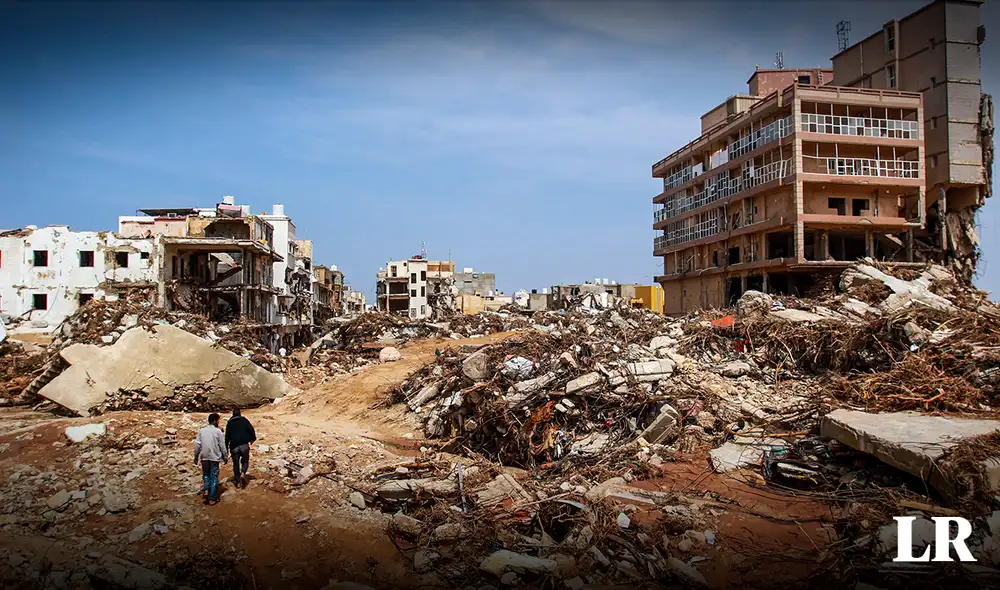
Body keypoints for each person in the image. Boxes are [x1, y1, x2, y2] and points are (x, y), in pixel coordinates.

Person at [194, 413, 228, 505]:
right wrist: (225, 457)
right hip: (214, 457)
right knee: (214, 477)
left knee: (206, 474)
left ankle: (206, 490)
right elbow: (222, 446)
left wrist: (196, 457)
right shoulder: (218, 431)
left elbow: (197, 445)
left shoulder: (202, 431)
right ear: (214, 421)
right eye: (218, 420)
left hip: (204, 457)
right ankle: (212, 498)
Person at [225, 408, 256, 488]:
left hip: (234, 446)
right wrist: (253, 439)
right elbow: (251, 430)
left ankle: (237, 481)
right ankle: (243, 473)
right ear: (240, 413)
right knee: (245, 461)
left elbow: (227, 436)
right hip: (244, 445)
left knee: (236, 464)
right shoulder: (244, 420)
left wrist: (226, 448)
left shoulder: (230, 422)